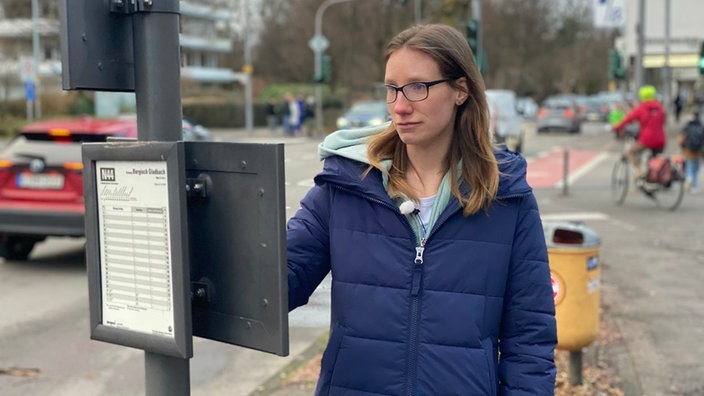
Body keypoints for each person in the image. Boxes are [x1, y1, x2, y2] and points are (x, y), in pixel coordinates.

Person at [286, 24, 556, 395]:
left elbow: (530, 339)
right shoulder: (346, 184)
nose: (399, 105)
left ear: (460, 90)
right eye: (392, 88)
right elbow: (278, 278)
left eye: (417, 87)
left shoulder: (506, 197)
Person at [613, 85, 667, 180]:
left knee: (630, 152)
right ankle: (654, 178)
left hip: (646, 139)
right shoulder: (660, 108)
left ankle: (640, 169)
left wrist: (616, 127)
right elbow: (663, 122)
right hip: (661, 140)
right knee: (654, 159)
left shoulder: (641, 108)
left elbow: (628, 119)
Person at [677, 112, 704, 193]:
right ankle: (694, 186)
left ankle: (689, 178)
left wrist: (682, 147)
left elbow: (681, 139)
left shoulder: (687, 127)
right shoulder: (701, 127)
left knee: (689, 166)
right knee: (696, 168)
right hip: (698, 152)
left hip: (688, 150)